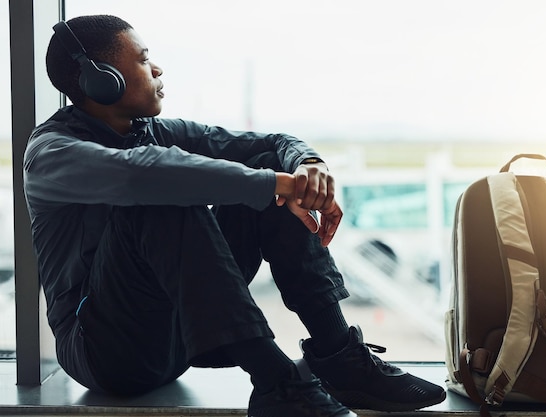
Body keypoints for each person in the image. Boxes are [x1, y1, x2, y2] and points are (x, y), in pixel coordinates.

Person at [23, 14, 446, 417]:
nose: (157, 69)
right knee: (164, 192)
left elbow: (273, 142)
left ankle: (340, 357)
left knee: (259, 162)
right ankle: (278, 384)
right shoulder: (50, 154)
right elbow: (140, 175)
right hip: (104, 355)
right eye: (142, 58)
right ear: (101, 79)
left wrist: (308, 166)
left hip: (181, 342)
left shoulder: (154, 132)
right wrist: (276, 184)